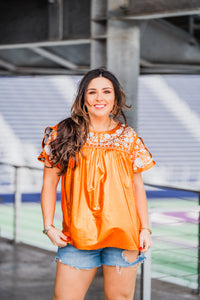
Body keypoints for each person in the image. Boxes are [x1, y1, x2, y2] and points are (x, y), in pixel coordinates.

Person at [38, 68, 155, 300]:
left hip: (123, 235)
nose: (99, 98)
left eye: (106, 91)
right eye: (92, 92)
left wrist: (145, 228)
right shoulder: (62, 133)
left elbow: (136, 186)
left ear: (116, 98)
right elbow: (49, 183)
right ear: (83, 98)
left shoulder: (128, 137)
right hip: (77, 236)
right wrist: (49, 226)